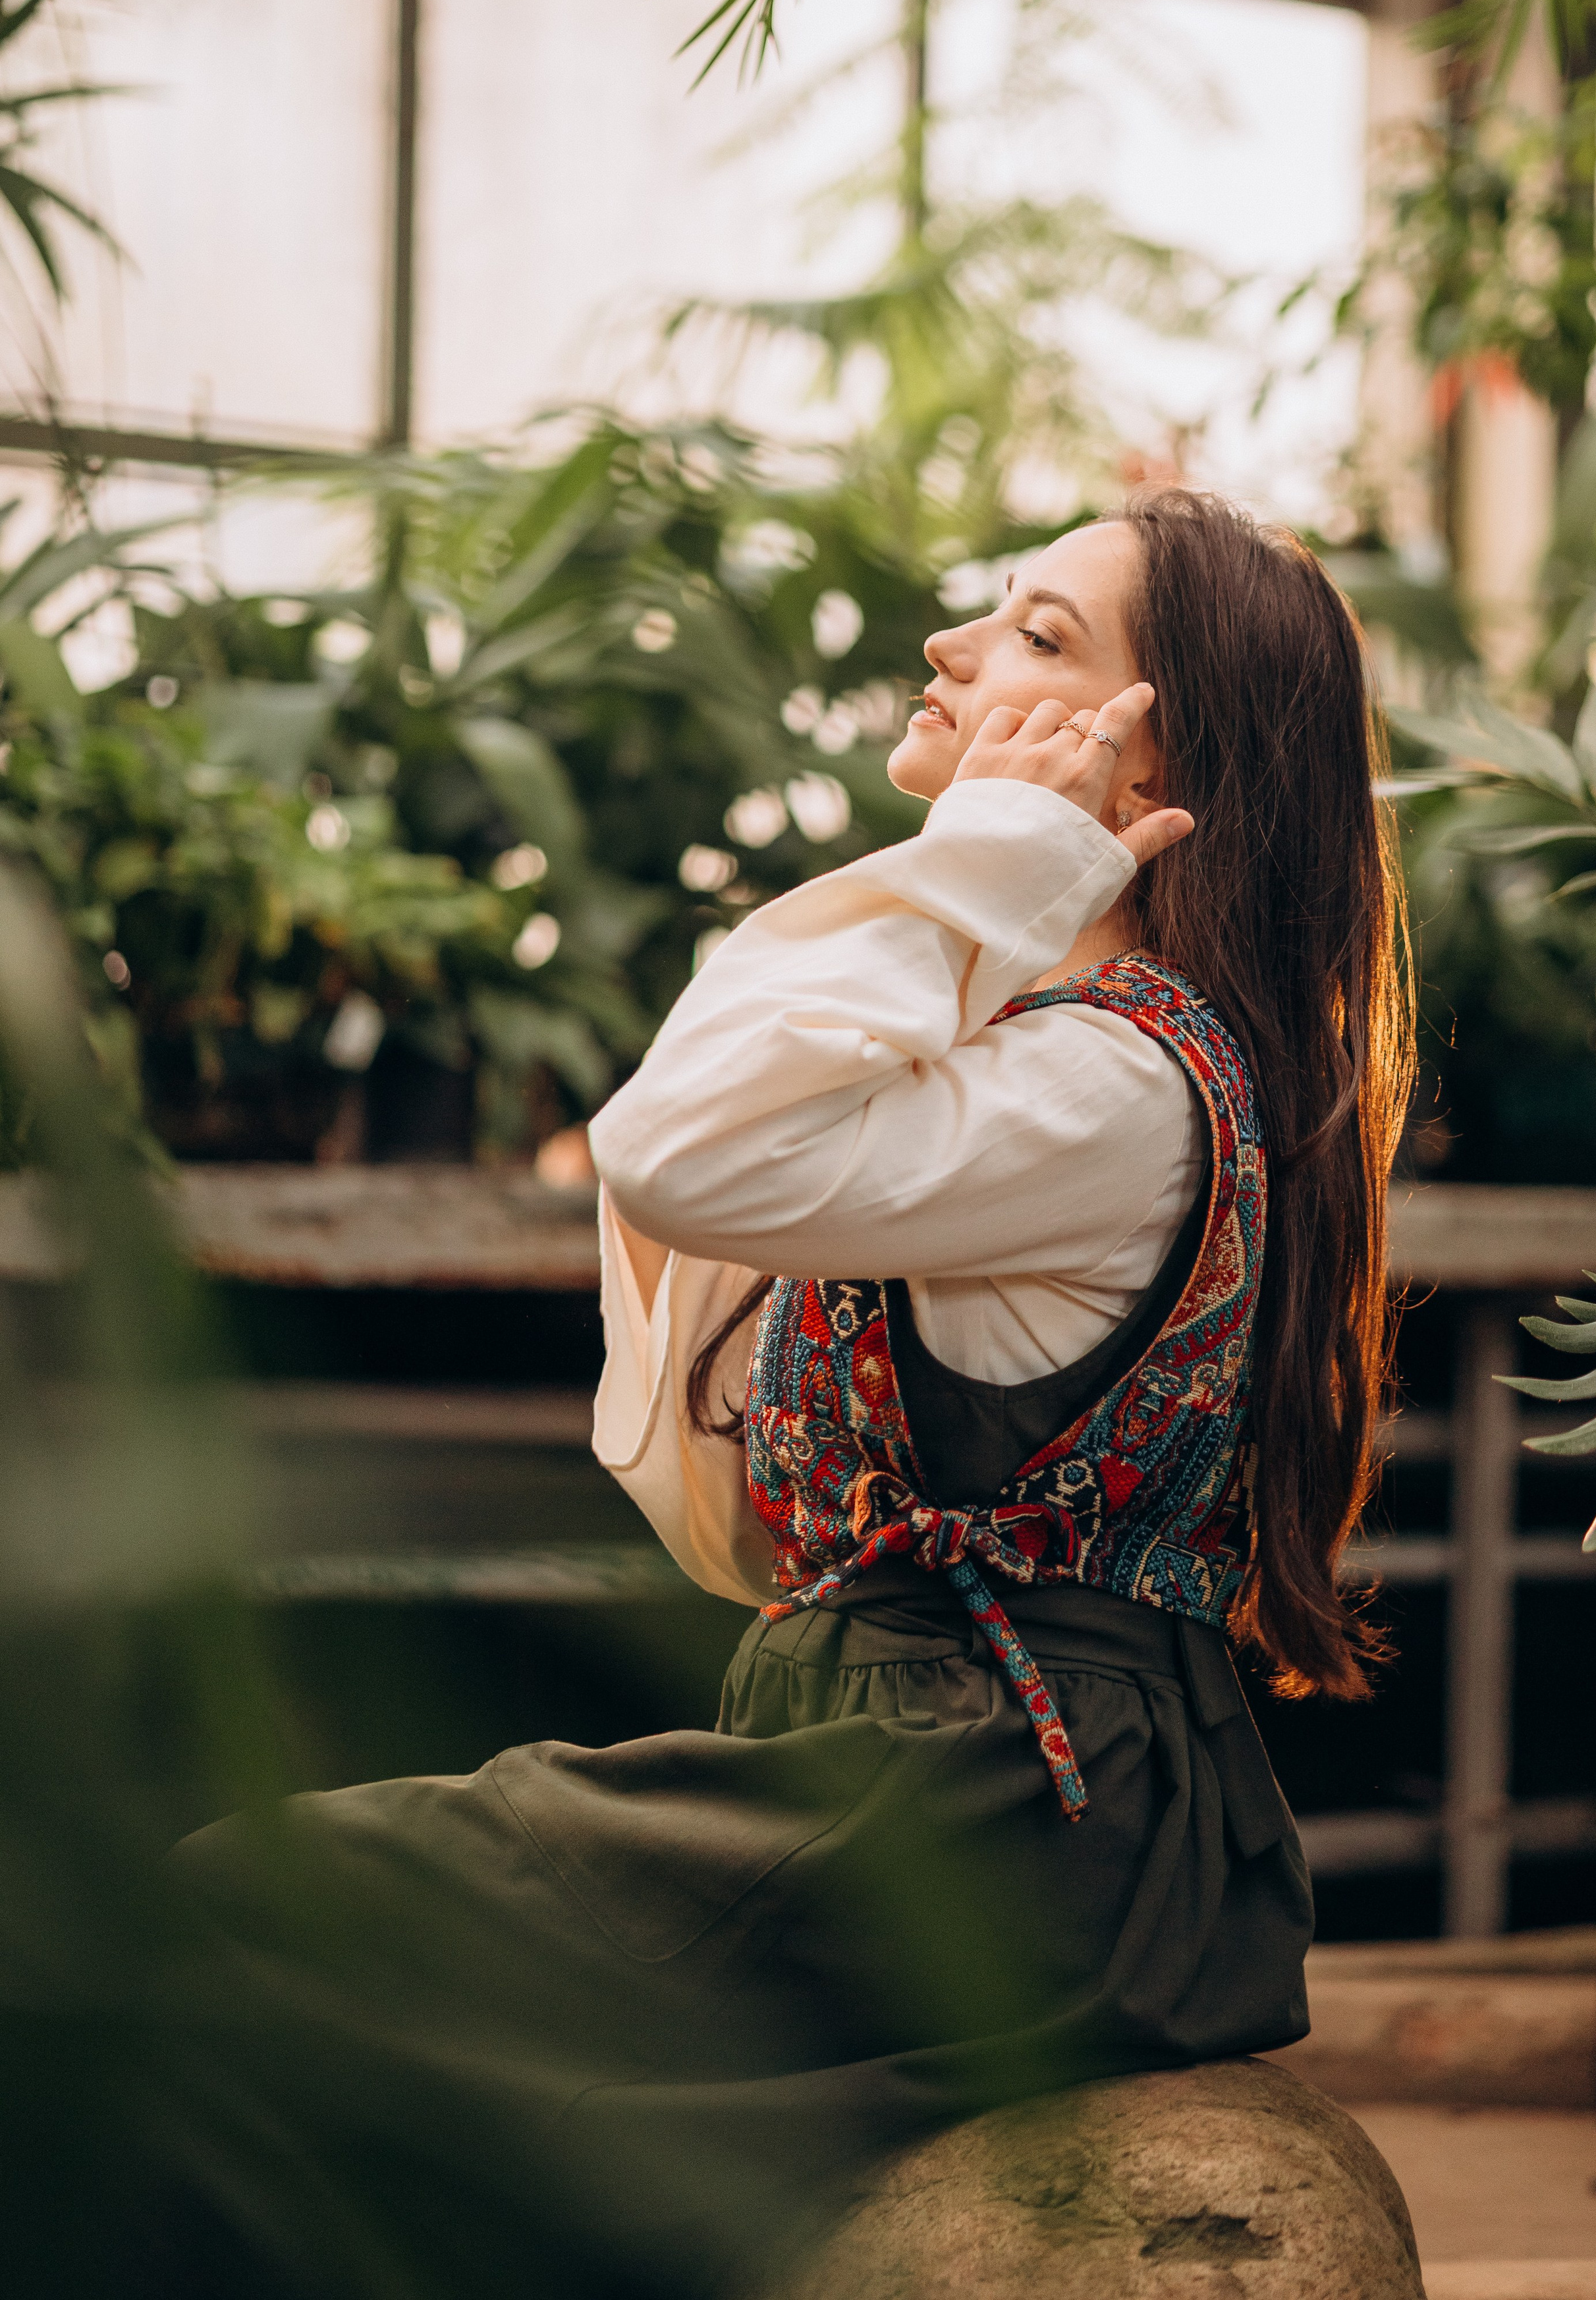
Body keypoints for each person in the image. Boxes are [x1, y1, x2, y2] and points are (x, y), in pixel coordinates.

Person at [167, 486, 1412, 2300]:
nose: (953, 646)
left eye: (1040, 636)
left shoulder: (1115, 1092)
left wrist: (997, 858)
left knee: (236, 1906)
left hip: (998, 1807)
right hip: (923, 1770)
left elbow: (672, 1149)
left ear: (1159, 761)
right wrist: (993, 896)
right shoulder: (1032, 1050)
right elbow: (711, 1439)